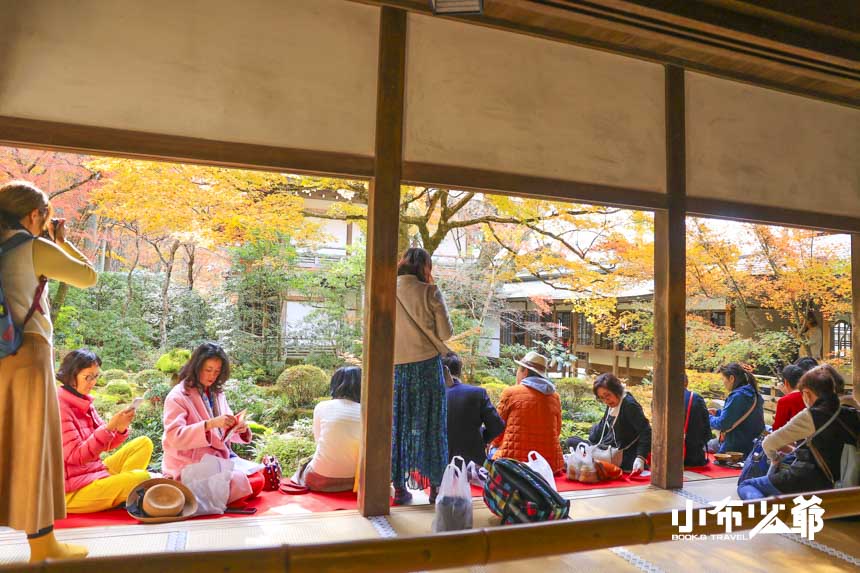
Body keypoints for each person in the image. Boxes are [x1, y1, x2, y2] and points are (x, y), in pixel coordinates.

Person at [0, 180, 97, 562]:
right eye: (45, 217)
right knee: (33, 444)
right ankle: (42, 544)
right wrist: (60, 241)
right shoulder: (34, 246)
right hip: (27, 355)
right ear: (35, 215)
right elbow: (88, 277)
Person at [737, 365, 860, 500]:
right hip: (846, 481)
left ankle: (763, 510)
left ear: (806, 393)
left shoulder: (811, 416)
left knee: (746, 485)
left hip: (809, 480)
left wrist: (775, 459)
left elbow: (769, 444)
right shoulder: (853, 414)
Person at [162, 342, 264, 504]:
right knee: (248, 483)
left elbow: (224, 430)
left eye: (217, 371)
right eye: (208, 370)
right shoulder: (177, 396)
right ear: (196, 367)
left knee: (258, 478)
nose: (212, 376)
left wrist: (238, 428)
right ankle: (195, 490)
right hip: (189, 462)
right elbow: (175, 436)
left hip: (217, 458)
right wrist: (209, 425)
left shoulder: (217, 393)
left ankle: (214, 493)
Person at [391, 248, 454, 505]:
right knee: (431, 426)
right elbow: (446, 333)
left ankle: (399, 488)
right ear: (425, 267)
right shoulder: (430, 291)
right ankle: (435, 488)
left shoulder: (384, 287)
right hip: (426, 367)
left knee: (398, 425)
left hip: (395, 368)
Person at [57, 350, 153, 513]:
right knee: (142, 478)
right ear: (71, 375)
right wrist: (109, 427)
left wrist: (120, 427)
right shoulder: (59, 406)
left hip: (93, 472)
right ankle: (122, 492)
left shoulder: (84, 400)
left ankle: (120, 493)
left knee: (143, 443)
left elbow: (106, 445)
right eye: (88, 377)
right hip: (70, 490)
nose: (93, 382)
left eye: (95, 377)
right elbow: (76, 456)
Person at [492, 351, 564, 473]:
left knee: (491, 451)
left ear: (525, 371)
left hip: (513, 463)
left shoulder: (511, 393)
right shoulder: (554, 397)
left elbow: (497, 429)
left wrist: (492, 445)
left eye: (519, 370)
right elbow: (557, 430)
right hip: (549, 465)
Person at [567, 373, 652, 473]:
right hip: (606, 449)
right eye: (602, 398)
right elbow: (601, 429)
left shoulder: (629, 405)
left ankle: (589, 460)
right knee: (572, 441)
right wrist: (590, 440)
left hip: (622, 455)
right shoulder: (613, 403)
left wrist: (640, 457)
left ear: (616, 390)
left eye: (607, 395)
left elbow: (646, 431)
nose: (606, 400)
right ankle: (590, 459)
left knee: (579, 449)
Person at [295, 366, 362, 492]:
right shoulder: (368, 411)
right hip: (355, 481)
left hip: (319, 481)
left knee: (306, 464)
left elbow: (318, 441)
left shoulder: (322, 407)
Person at [442, 352, 505, 466]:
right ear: (460, 371)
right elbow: (497, 426)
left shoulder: (433, 396)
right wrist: (481, 438)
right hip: (472, 462)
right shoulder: (477, 393)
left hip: (439, 463)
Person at [708, 363, 765, 457]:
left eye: (723, 379)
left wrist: (707, 417)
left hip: (735, 447)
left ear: (731, 378)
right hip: (751, 446)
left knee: (701, 446)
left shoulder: (737, 396)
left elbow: (723, 423)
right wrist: (718, 413)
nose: (723, 382)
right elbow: (742, 416)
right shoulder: (753, 394)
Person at [682, 374, 712, 467]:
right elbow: (706, 430)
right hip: (692, 457)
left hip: (664, 457)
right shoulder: (695, 398)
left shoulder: (660, 398)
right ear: (686, 383)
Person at [772, 364, 805, 431]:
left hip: (795, 438)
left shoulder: (784, 401)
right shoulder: (810, 395)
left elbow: (777, 429)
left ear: (786, 382)